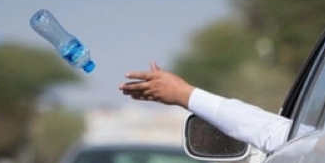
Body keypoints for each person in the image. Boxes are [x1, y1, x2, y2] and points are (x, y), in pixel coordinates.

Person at [119, 62, 291, 154]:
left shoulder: (300, 144)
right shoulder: (303, 144)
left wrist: (182, 94)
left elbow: (276, 136)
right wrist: (182, 94)